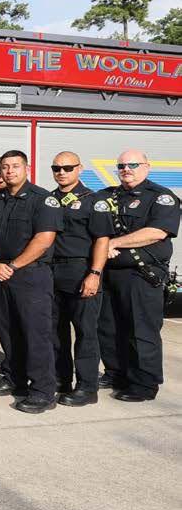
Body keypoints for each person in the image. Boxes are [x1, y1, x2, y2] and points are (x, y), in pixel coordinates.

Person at [0, 150, 63, 414]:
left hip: (30, 275)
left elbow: (44, 239)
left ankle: (43, 391)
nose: (10, 171)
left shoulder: (42, 199)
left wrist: (13, 265)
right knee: (8, 331)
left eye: (15, 166)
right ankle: (15, 379)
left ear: (27, 168)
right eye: (5, 166)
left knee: (36, 334)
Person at [97, 150, 179, 402]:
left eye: (133, 164)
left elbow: (157, 232)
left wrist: (113, 243)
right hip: (109, 274)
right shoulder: (108, 195)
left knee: (141, 330)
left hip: (140, 275)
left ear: (147, 166)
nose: (126, 169)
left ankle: (144, 383)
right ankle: (116, 373)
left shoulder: (160, 197)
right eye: (121, 165)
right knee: (108, 327)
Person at [48, 152, 113, 407]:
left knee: (86, 333)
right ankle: (60, 379)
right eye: (57, 168)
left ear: (79, 168)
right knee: (55, 331)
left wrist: (94, 274)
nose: (61, 172)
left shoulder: (94, 201)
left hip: (81, 271)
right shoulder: (49, 200)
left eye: (67, 168)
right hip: (53, 272)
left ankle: (87, 387)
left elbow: (102, 240)